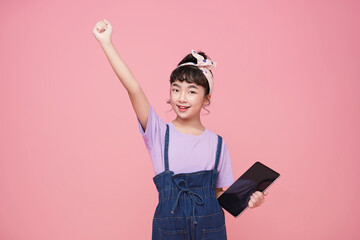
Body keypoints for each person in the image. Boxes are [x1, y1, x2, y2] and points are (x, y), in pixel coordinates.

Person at [92, 19, 268, 240]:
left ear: (207, 98)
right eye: (176, 89)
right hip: (170, 231)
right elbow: (133, 88)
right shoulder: (158, 133)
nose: (182, 98)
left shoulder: (217, 144)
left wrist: (250, 198)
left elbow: (218, 195)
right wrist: (106, 42)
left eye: (192, 91)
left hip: (210, 230)